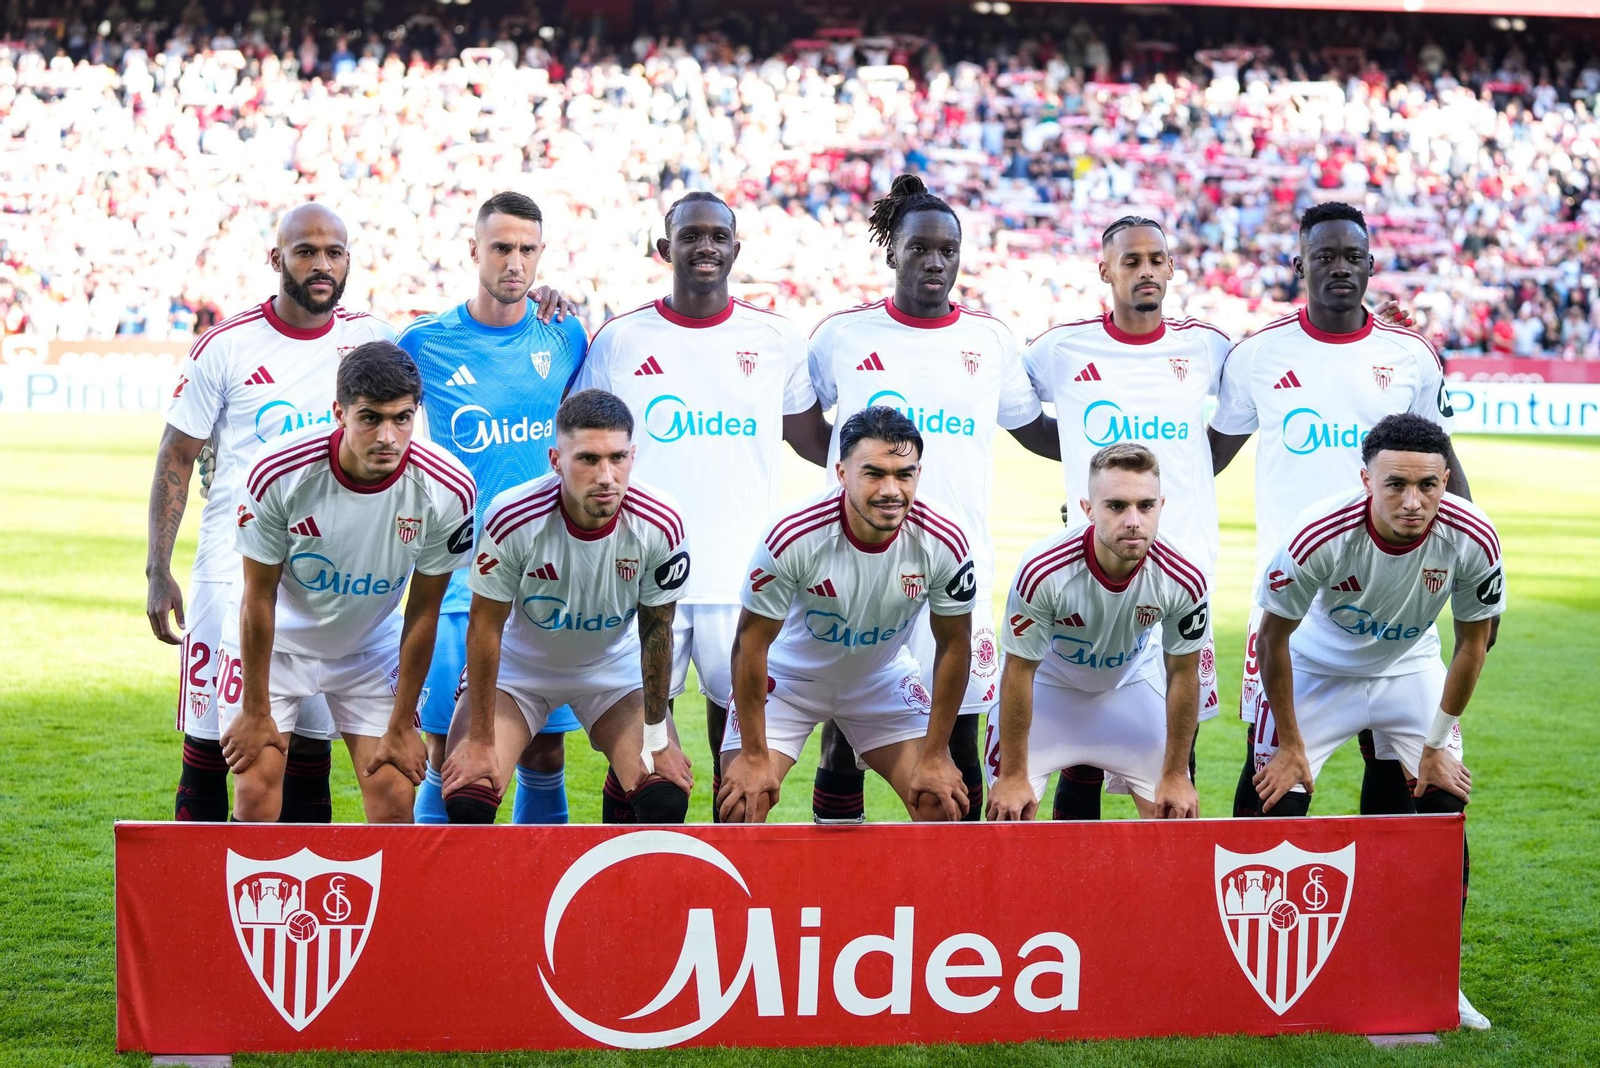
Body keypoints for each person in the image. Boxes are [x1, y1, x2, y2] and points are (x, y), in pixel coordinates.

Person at [1208, 201, 1474, 820]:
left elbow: (1444, 462)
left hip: (1400, 595)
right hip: (1294, 602)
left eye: (1352, 256)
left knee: (1403, 773)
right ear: (1298, 262)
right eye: (1323, 256)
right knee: (1272, 780)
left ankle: (1397, 914)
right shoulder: (1258, 356)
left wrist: (1468, 543)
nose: (1339, 268)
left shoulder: (1410, 354)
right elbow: (1208, 458)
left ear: (1372, 264)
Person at [805, 174, 1057, 823]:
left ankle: (956, 885)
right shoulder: (842, 336)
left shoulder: (990, 340)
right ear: (893, 252)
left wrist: (1117, 444)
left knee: (962, 733)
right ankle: (846, 873)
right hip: (857, 568)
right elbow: (810, 432)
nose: (935, 261)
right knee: (843, 731)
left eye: (948, 249)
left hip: (958, 569)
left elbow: (1035, 432)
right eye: (920, 248)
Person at [573, 191, 830, 820]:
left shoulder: (775, 339)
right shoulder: (621, 339)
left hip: (744, 579)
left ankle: (725, 892)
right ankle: (625, 876)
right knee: (638, 762)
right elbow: (581, 438)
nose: (705, 246)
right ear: (666, 249)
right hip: (639, 577)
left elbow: (816, 443)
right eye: (690, 236)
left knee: (742, 771)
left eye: (718, 236)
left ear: (736, 250)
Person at [1244, 413, 1503, 1031]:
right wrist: (1290, 746)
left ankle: (1437, 975)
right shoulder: (1318, 535)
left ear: (1446, 481)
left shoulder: (1474, 537)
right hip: (1314, 668)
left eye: (1429, 486)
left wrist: (1437, 745)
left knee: (1443, 806)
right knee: (1273, 801)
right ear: (1366, 479)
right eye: (1394, 485)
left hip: (1409, 667)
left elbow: (1473, 643)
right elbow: (1272, 638)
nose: (1413, 502)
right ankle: (1250, 974)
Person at [146, 203, 396, 822]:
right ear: (276, 258)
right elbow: (177, 458)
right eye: (306, 251)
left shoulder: (372, 340)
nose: (321, 265)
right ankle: (197, 907)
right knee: (215, 747)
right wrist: (158, 568)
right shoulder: (226, 347)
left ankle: (300, 906)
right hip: (229, 576)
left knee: (310, 755)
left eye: (334, 252)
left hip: (325, 583)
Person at [1022, 216, 1231, 819]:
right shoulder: (1062, 348)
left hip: (1182, 568)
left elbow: (1245, 408)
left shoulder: (1206, 346)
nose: (1145, 271)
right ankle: (1073, 896)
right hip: (1088, 567)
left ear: (1171, 267)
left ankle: (1160, 896)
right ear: (1106, 270)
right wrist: (1091, 485)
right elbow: (1015, 408)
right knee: (1083, 745)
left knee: (1176, 739)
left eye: (1156, 259)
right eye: (1131, 261)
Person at [220, 341, 475, 823]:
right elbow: (258, 596)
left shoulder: (448, 488)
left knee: (395, 793)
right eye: (370, 418)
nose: (388, 436)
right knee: (255, 791)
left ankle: (395, 901)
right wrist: (255, 710)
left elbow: (423, 612)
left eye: (402, 418)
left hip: (368, 649)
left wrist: (402, 723)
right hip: (275, 647)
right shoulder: (279, 471)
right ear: (339, 412)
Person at [397, 191, 589, 825]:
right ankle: (437, 905)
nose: (514, 262)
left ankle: (535, 902)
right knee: (447, 751)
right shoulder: (425, 342)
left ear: (541, 256)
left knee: (543, 750)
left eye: (527, 250)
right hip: (457, 579)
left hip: (547, 578)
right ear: (473, 249)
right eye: (501, 247)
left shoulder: (565, 333)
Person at [438, 390, 693, 824]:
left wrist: (655, 737)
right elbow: (484, 626)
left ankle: (616, 879)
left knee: (663, 796)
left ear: (633, 455)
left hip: (611, 671)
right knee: (469, 796)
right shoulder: (513, 515)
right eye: (588, 460)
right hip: (518, 674)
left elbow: (657, 630)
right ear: (556, 459)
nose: (606, 476)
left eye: (617, 458)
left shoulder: (661, 521)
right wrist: (480, 738)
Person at [716, 406, 974, 824]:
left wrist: (936, 754)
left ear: (918, 474)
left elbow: (954, 644)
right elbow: (751, 642)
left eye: (904, 474)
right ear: (841, 473)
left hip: (880, 678)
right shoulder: (794, 534)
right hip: (789, 682)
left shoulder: (945, 539)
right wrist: (752, 754)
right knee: (744, 803)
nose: (891, 489)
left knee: (938, 803)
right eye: (874, 473)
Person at [985, 443, 1208, 821]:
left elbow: (1184, 672)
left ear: (1161, 507)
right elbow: (1019, 671)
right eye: (1117, 506)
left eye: (1146, 506)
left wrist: (1175, 774)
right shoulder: (1043, 570)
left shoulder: (1184, 577)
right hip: (1049, 693)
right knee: (1008, 818)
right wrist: (1012, 775)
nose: (1134, 520)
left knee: (1176, 816)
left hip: (1129, 688)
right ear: (1088, 510)